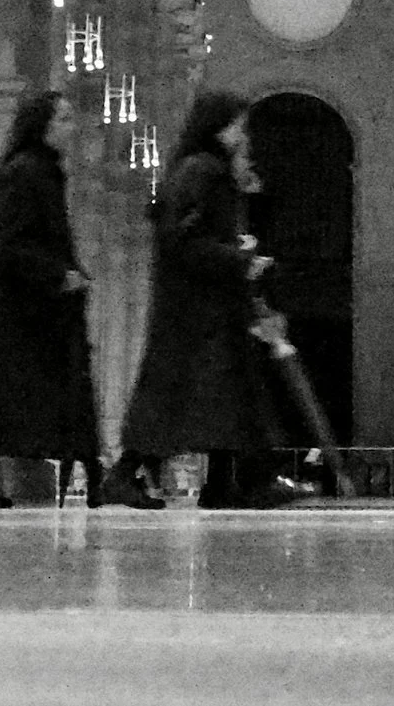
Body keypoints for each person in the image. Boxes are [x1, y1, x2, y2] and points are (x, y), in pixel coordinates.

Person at [103, 89, 307, 510]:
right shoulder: (202, 171)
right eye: (236, 125)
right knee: (192, 397)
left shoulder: (205, 170)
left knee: (217, 399)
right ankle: (129, 474)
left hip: (204, 307)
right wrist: (240, 259)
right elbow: (185, 239)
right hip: (197, 311)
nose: (242, 134)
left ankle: (224, 483)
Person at [0, 89, 103, 509]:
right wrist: (57, 275)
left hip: (45, 311)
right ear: (43, 125)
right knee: (1, 397)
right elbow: (10, 243)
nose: (72, 127)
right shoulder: (24, 171)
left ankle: (81, 473)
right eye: (64, 119)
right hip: (23, 314)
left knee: (41, 394)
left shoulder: (46, 171)